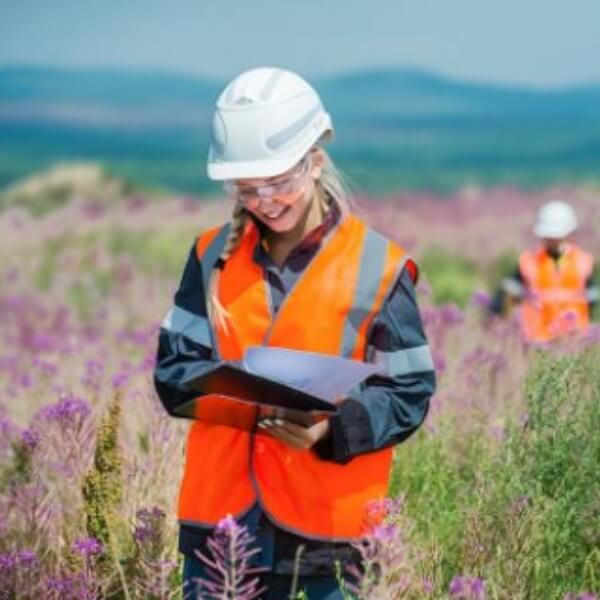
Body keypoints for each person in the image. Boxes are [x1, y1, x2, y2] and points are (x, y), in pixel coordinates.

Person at [153, 67, 436, 599]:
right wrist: (244, 399)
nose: (266, 200)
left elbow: (410, 392)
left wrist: (329, 430)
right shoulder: (209, 255)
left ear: (316, 159)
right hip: (220, 531)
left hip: (330, 541)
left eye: (281, 181)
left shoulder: (379, 266)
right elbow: (173, 374)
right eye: (248, 188)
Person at [490, 200, 598, 342]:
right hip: (537, 340)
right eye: (549, 236)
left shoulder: (583, 261)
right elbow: (505, 294)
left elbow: (593, 298)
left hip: (575, 341)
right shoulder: (528, 262)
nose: (552, 239)